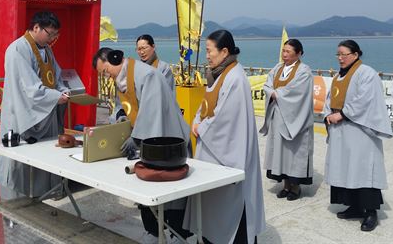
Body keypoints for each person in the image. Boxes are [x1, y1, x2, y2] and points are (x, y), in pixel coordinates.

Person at [93, 47, 191, 243]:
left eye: (105, 71)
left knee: (170, 191)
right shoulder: (124, 78)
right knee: (146, 187)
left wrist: (137, 137)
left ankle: (176, 233)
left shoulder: (147, 75)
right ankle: (153, 231)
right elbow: (125, 107)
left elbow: (152, 111)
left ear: (113, 59)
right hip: (149, 142)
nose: (107, 77)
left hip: (166, 140)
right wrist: (121, 118)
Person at [184, 30, 266, 244]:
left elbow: (225, 121)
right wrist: (196, 119)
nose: (207, 56)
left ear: (225, 51)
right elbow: (207, 106)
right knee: (215, 210)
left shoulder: (235, 78)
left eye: (210, 51)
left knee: (232, 210)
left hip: (228, 156)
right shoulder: (219, 74)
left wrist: (201, 127)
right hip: (212, 154)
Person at [0, 11, 70, 199]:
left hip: (45, 110)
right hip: (24, 113)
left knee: (46, 154)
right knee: (21, 161)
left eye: (55, 35)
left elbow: (55, 75)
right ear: (36, 27)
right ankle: (17, 197)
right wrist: (56, 96)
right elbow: (28, 87)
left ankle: (45, 192)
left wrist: (62, 91)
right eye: (50, 34)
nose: (53, 39)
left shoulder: (46, 49)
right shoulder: (17, 49)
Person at [323, 39, 392, 232]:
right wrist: (328, 113)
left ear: (356, 55)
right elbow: (330, 98)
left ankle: (370, 212)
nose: (340, 58)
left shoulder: (366, 74)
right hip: (341, 130)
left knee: (362, 169)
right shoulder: (338, 76)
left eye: (344, 54)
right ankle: (353, 206)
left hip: (360, 131)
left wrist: (343, 114)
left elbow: (365, 100)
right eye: (338, 54)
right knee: (346, 168)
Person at [259, 38, 314, 201]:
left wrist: (277, 93)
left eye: (288, 51)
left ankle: (295, 186)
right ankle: (285, 185)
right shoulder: (277, 68)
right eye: (283, 51)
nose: (284, 54)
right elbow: (267, 85)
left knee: (294, 151)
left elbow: (297, 92)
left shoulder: (304, 71)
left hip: (294, 117)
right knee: (280, 151)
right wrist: (273, 92)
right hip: (278, 116)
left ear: (299, 53)